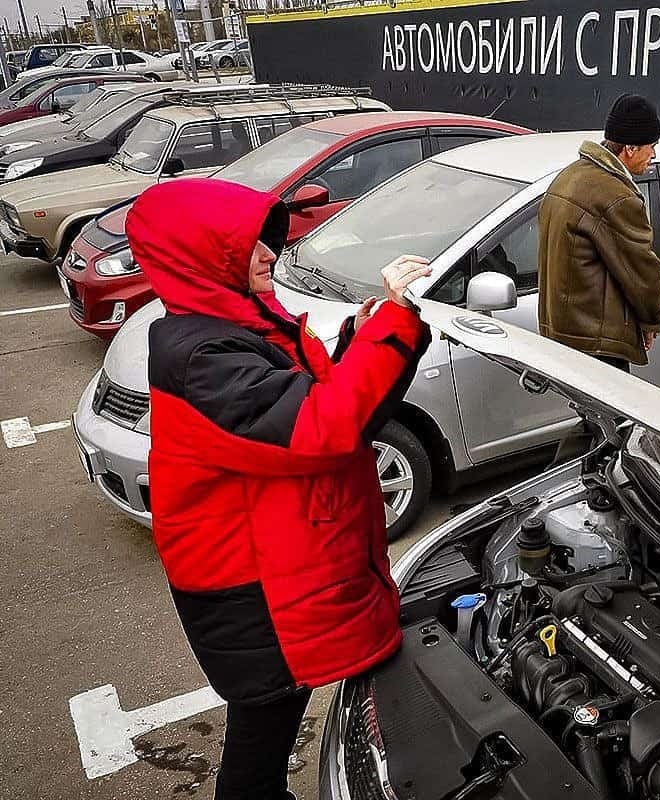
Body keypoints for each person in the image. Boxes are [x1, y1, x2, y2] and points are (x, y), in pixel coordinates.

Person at [126, 177, 433, 800]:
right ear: (205, 260)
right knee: (262, 734)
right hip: (255, 594)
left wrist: (367, 322)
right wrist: (395, 323)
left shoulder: (228, 326)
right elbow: (323, 426)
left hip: (273, 575)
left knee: (273, 721)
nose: (270, 253)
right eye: (249, 246)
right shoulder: (204, 356)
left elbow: (307, 395)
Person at [537, 93, 660, 373]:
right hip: (597, 345)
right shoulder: (617, 196)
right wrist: (653, 321)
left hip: (564, 335)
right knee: (610, 417)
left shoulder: (568, 176)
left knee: (589, 416)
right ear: (631, 148)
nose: (654, 154)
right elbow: (641, 271)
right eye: (652, 146)